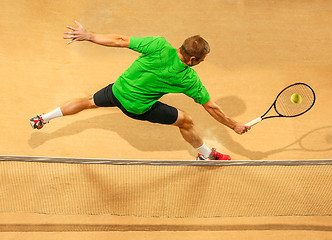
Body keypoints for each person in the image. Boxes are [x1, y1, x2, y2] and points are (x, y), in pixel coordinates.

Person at [29, 21, 250, 160]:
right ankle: (205, 155)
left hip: (118, 90)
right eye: (202, 59)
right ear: (192, 59)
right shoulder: (189, 79)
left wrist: (90, 36)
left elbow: (121, 40)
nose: (202, 62)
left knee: (88, 102)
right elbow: (211, 107)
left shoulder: (158, 44)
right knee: (186, 120)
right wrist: (234, 125)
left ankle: (42, 118)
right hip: (137, 108)